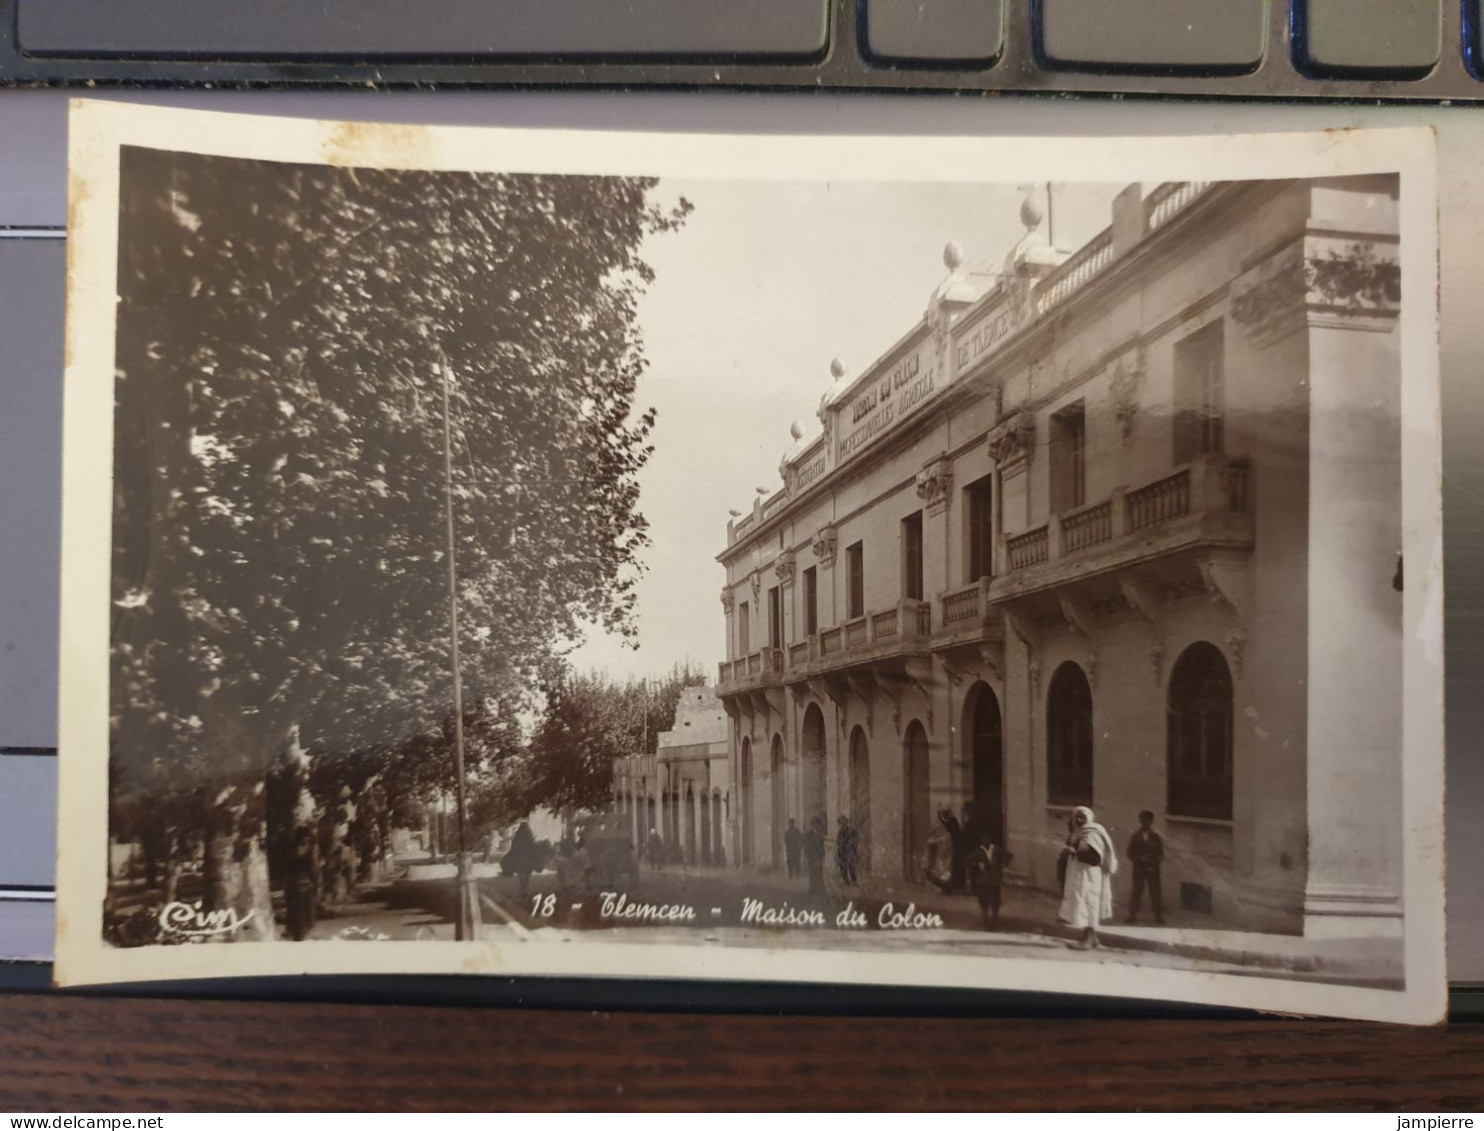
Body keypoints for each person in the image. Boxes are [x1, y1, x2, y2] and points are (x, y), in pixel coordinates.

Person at [1058, 805, 1119, 949]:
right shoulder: (1078, 832)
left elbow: (1095, 858)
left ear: (1089, 818)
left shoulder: (1092, 833)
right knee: (1084, 904)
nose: (1079, 819)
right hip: (1080, 873)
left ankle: (1087, 939)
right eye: (1076, 816)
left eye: (1082, 817)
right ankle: (1092, 938)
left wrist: (1074, 852)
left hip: (1089, 875)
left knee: (1087, 904)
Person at [1125, 809, 1165, 925]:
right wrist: (1139, 859)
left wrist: (1154, 862)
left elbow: (1160, 853)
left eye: (1148, 821)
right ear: (1140, 821)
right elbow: (1129, 852)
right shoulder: (1135, 836)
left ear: (1152, 822)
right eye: (1143, 820)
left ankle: (1159, 916)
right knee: (1136, 892)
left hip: (1153, 870)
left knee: (1155, 893)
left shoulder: (1156, 837)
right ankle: (1132, 916)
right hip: (1139, 870)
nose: (1145, 823)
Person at [968, 837, 1014, 929]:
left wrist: (1002, 864)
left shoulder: (997, 850)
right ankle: (986, 922)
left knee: (995, 901)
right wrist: (977, 865)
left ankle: (994, 922)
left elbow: (1009, 855)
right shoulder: (978, 851)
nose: (985, 842)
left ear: (990, 840)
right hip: (983, 880)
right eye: (983, 840)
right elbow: (969, 860)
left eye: (987, 839)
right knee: (984, 902)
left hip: (994, 879)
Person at [284, 826, 321, 941]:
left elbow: (286, 868)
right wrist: (317, 882)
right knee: (307, 911)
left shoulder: (291, 849)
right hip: (306, 884)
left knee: (294, 911)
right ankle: (304, 935)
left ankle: (294, 933)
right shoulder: (311, 848)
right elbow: (314, 867)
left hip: (292, 884)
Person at [926, 808, 966, 893]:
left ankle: (949, 886)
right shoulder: (952, 821)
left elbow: (947, 827)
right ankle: (954, 886)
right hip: (954, 848)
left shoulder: (951, 822)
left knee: (950, 868)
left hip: (954, 848)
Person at [501, 820, 541, 898]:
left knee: (520, 873)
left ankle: (509, 873)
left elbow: (514, 846)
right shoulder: (529, 834)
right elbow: (532, 845)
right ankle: (524, 889)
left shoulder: (518, 834)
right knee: (527, 875)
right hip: (526, 857)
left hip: (520, 856)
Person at [803, 815, 827, 898]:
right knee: (813, 874)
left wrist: (822, 857)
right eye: (815, 824)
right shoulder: (808, 835)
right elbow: (806, 846)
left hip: (819, 857)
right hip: (812, 857)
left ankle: (820, 891)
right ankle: (813, 891)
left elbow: (822, 846)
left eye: (818, 824)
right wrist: (809, 856)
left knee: (819, 874)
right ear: (812, 825)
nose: (817, 826)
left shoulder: (820, 834)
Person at [836, 816, 859, 886]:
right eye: (840, 822)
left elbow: (856, 839)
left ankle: (854, 881)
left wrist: (851, 843)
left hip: (850, 850)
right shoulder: (840, 832)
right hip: (842, 851)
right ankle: (845, 881)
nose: (842, 823)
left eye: (843, 821)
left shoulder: (852, 830)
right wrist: (841, 844)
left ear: (846, 821)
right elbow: (838, 841)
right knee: (843, 866)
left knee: (851, 865)